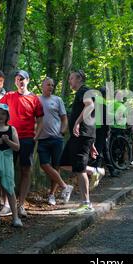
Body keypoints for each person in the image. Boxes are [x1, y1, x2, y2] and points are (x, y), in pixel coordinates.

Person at [0, 70, 44, 217]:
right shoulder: (9, 96)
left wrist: (36, 136)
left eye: (23, 79)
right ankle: (6, 205)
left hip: (26, 139)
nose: (20, 81)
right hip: (9, 138)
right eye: (18, 79)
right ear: (15, 82)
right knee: (6, 171)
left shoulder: (34, 99)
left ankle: (21, 205)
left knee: (25, 171)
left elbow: (40, 120)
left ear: (28, 80)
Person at [59, 70, 105, 215]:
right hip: (82, 136)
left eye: (71, 78)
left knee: (79, 169)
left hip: (82, 135)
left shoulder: (83, 91)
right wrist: (90, 144)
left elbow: (90, 106)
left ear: (79, 79)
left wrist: (77, 123)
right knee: (64, 163)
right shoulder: (85, 91)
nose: (69, 81)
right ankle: (94, 170)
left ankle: (86, 203)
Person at [37, 77, 73, 206]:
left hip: (56, 138)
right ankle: (65, 186)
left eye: (52, 85)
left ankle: (51, 195)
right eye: (48, 84)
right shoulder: (36, 99)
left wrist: (62, 131)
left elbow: (64, 118)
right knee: (44, 164)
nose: (50, 87)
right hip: (42, 138)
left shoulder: (58, 100)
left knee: (56, 166)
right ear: (42, 86)